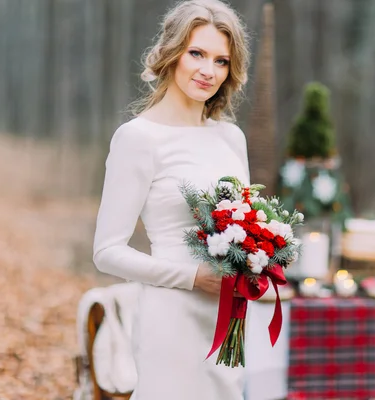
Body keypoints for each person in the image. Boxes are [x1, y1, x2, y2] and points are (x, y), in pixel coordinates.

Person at [92, 1, 251, 398]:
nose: (207, 70)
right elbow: (107, 251)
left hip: (229, 319)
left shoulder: (231, 138)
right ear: (172, 52)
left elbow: (246, 227)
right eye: (196, 53)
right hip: (172, 316)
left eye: (221, 60)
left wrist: (261, 258)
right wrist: (192, 277)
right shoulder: (138, 139)